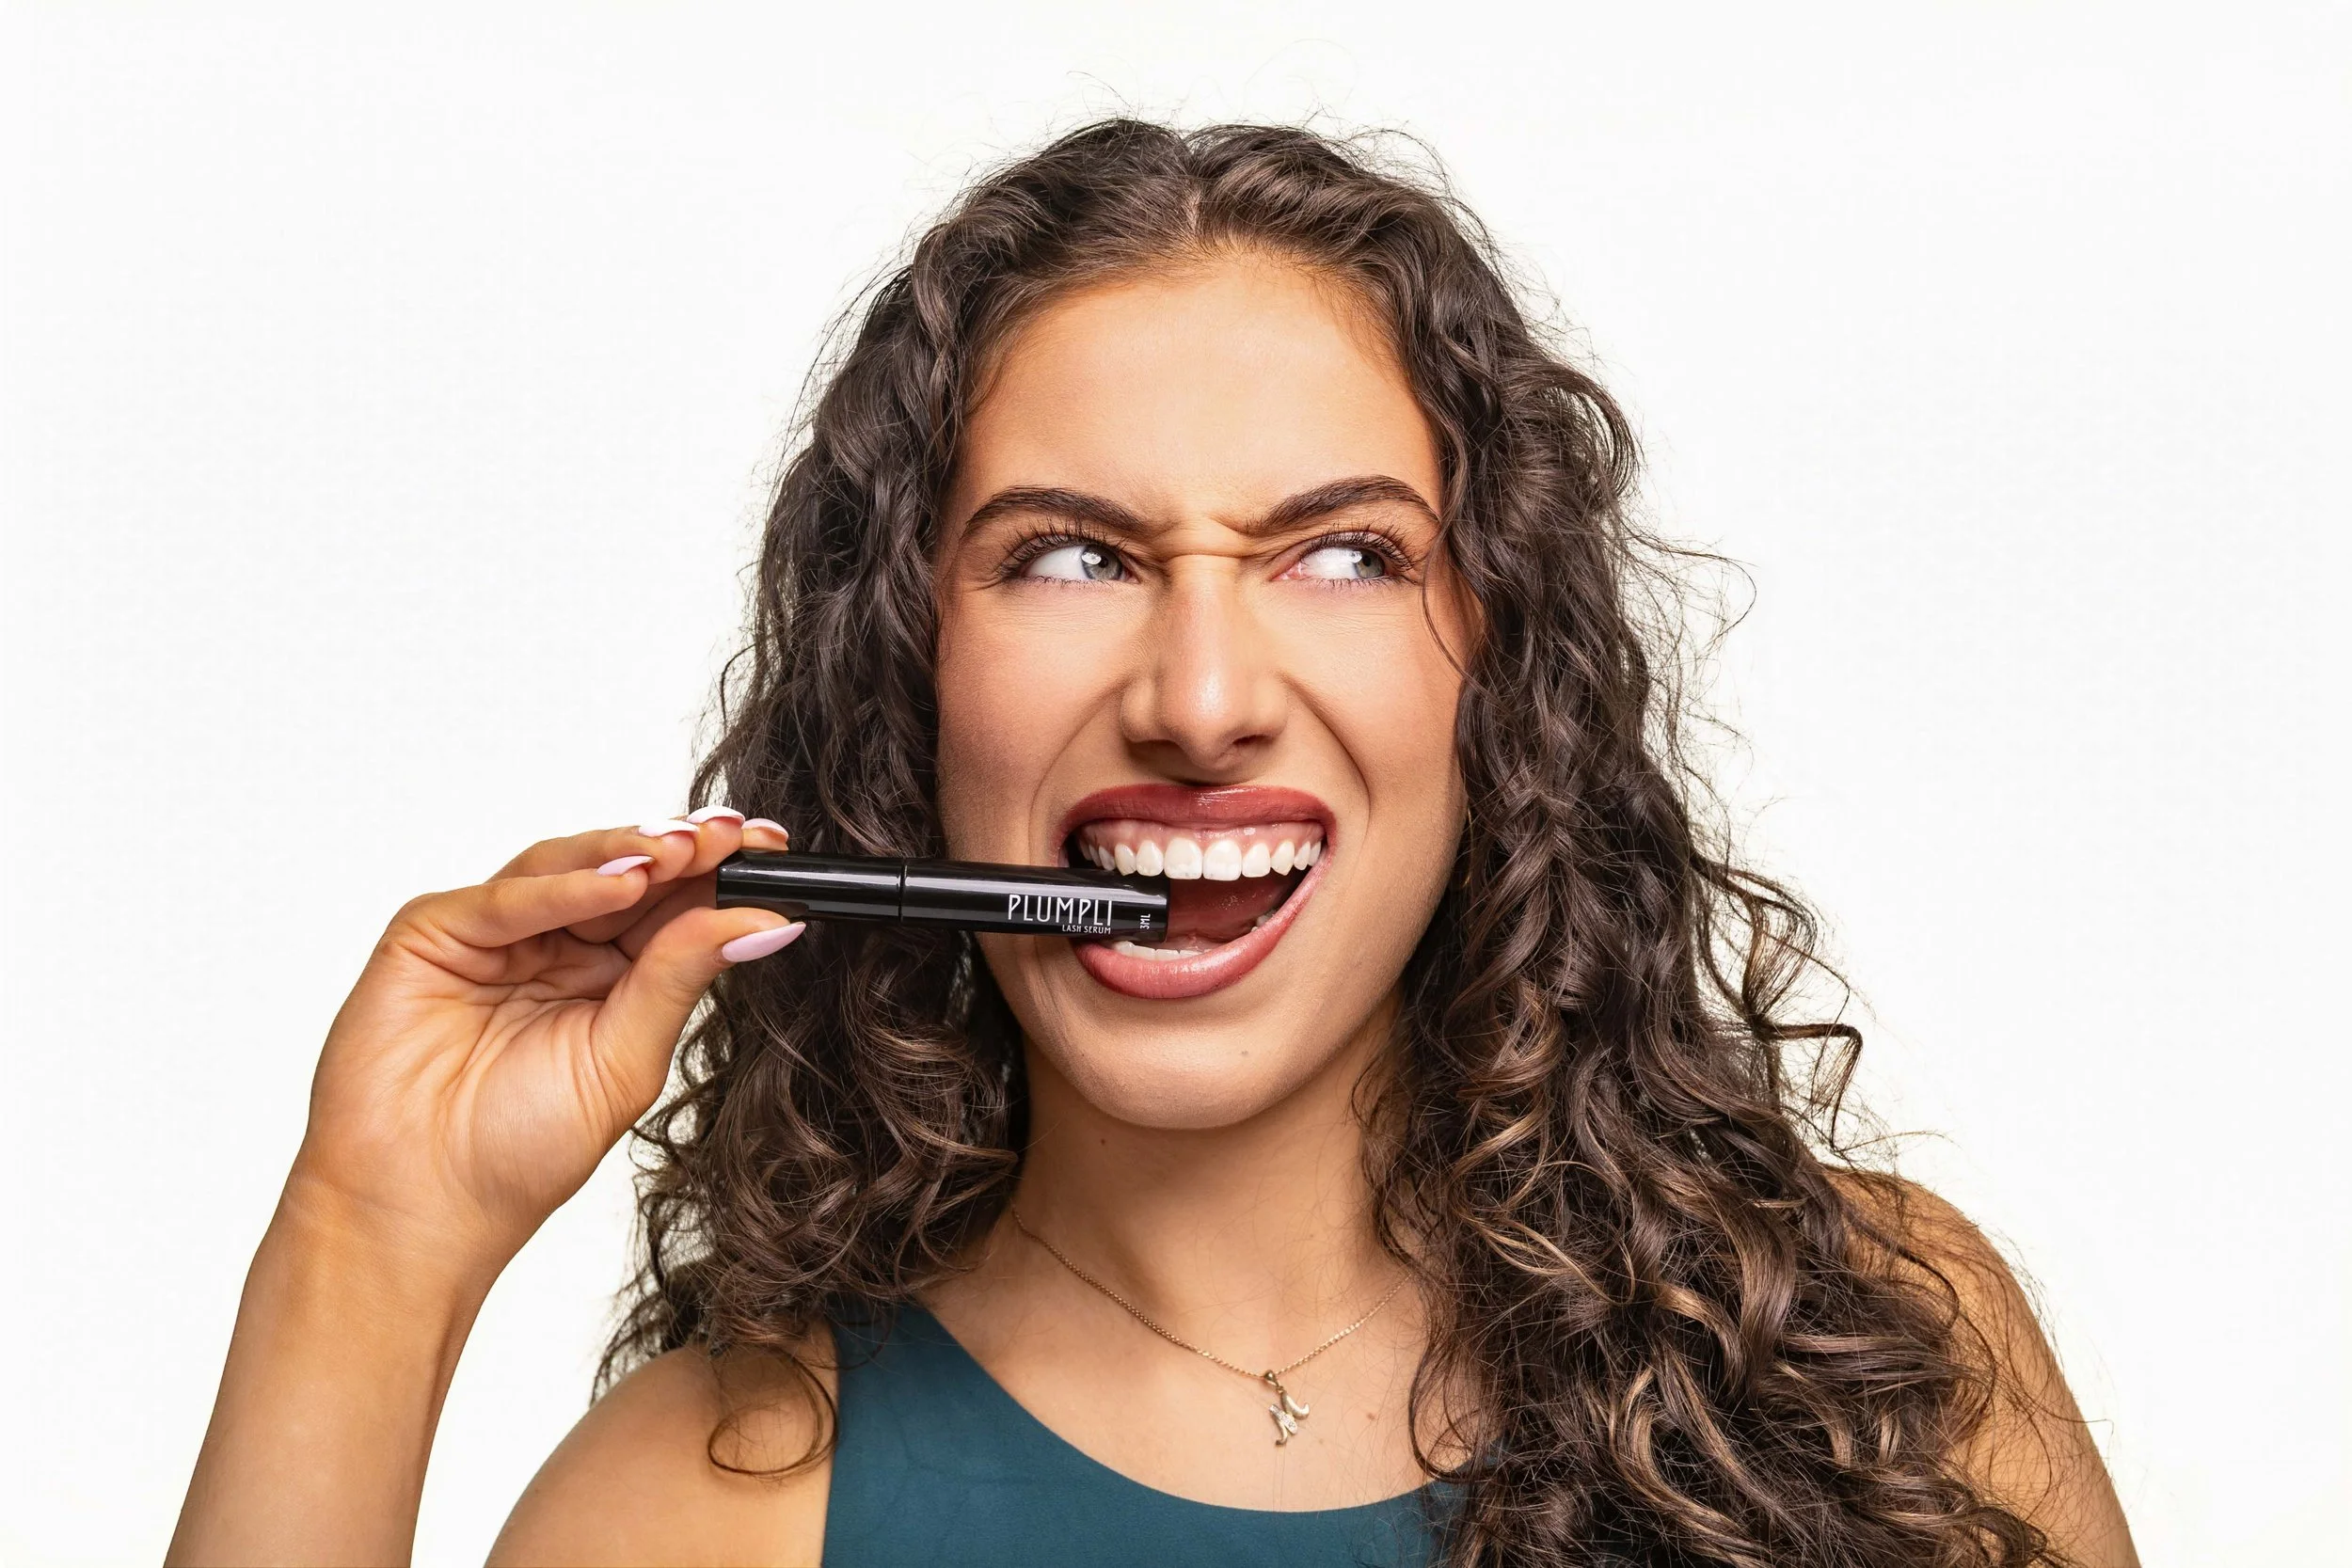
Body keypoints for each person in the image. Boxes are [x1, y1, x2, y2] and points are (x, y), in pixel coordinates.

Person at [168, 119, 2137, 1567]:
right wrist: (374, 1235)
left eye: (1342, 554)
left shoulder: (1874, 1344)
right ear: (909, 681)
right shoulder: (706, 1504)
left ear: (1501, 677)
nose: (1202, 697)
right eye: (1070, 556)